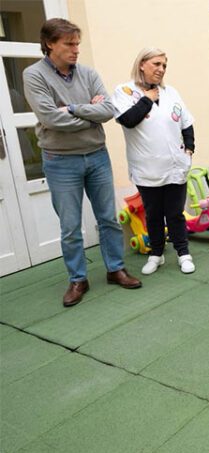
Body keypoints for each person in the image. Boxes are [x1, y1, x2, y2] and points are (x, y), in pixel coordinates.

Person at [23, 18, 141, 307]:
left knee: (108, 219)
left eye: (78, 43)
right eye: (69, 44)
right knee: (70, 226)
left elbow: (108, 109)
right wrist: (90, 112)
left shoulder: (88, 73)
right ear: (50, 44)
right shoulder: (34, 75)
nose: (76, 49)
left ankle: (116, 269)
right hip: (60, 161)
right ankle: (78, 278)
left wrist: (74, 109)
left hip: (97, 156)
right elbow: (50, 118)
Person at [112, 48, 196, 276]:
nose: (161, 69)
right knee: (153, 214)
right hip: (147, 167)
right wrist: (147, 99)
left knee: (176, 213)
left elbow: (186, 122)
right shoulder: (125, 91)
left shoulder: (171, 92)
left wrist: (189, 148)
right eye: (156, 64)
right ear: (142, 64)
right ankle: (156, 254)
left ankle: (183, 254)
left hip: (175, 165)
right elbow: (127, 120)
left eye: (164, 65)